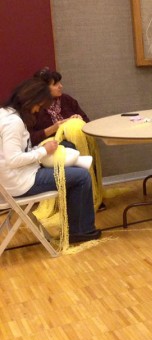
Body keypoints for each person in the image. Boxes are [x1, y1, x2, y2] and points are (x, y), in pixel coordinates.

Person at [0, 78, 99, 243]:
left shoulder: (5, 113)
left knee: (75, 170)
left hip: (12, 179)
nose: (37, 110)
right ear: (30, 101)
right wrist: (44, 150)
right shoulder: (13, 123)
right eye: (38, 106)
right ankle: (81, 231)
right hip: (20, 182)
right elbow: (14, 159)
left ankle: (77, 228)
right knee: (81, 177)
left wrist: (40, 151)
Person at [29, 67, 90, 146]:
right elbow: (29, 139)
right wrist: (53, 128)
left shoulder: (67, 99)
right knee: (68, 146)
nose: (60, 86)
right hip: (48, 147)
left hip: (74, 141)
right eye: (55, 84)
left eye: (60, 83)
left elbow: (87, 122)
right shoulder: (34, 107)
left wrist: (78, 120)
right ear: (43, 88)